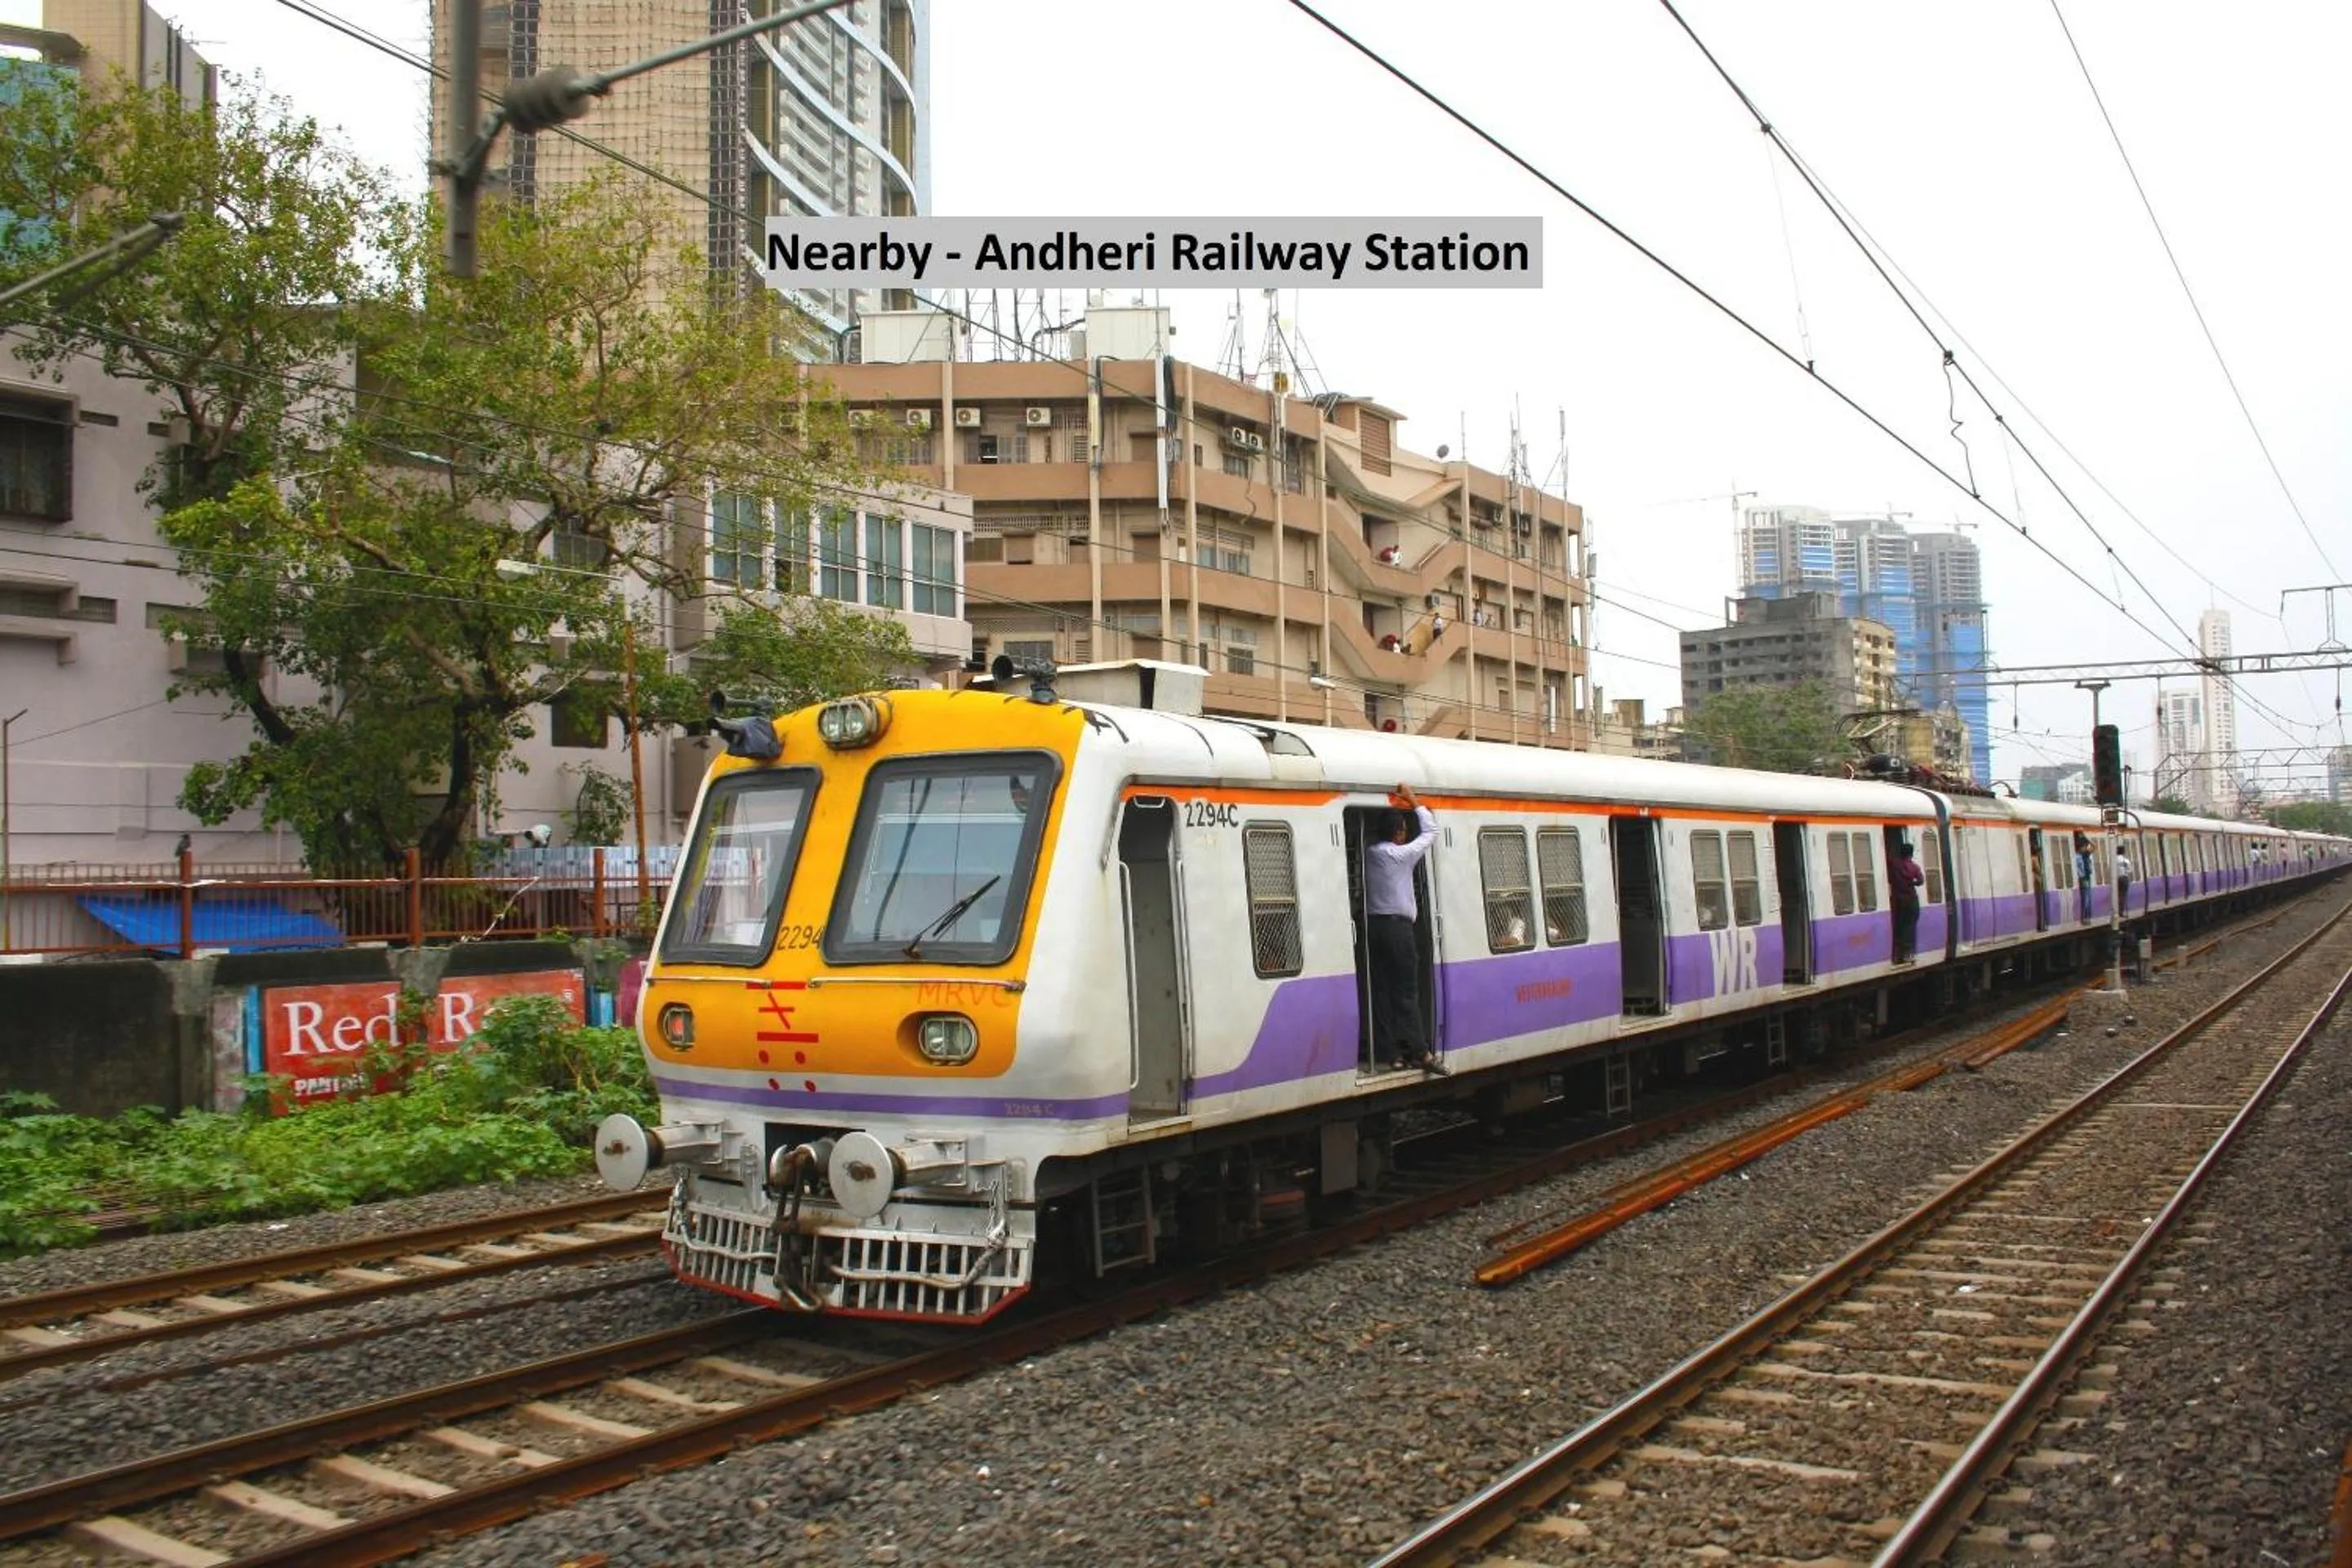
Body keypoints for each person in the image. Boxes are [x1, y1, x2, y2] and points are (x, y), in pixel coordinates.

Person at [1365, 783, 1445, 1074]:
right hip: (1399, 931)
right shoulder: (1400, 855)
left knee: (1382, 991)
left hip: (1373, 928)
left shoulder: (1370, 853)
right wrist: (1413, 801)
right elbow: (1431, 832)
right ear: (1399, 833)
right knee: (1407, 992)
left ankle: (1391, 1053)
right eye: (1402, 830)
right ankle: (1420, 1052)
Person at [1890, 837, 1925, 962]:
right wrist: (1912, 883)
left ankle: (1897, 954)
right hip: (1911, 899)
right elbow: (1921, 881)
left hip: (1898, 900)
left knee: (1899, 926)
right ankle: (1908, 954)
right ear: (1911, 853)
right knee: (1910, 926)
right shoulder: (1914, 867)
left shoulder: (1894, 865)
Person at [2114, 844, 2134, 918]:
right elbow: (2129, 870)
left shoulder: (2114, 860)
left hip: (2116, 879)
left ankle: (2115, 910)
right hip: (2124, 878)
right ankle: (2121, 912)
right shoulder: (2125, 861)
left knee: (2117, 895)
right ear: (2123, 852)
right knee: (2123, 895)